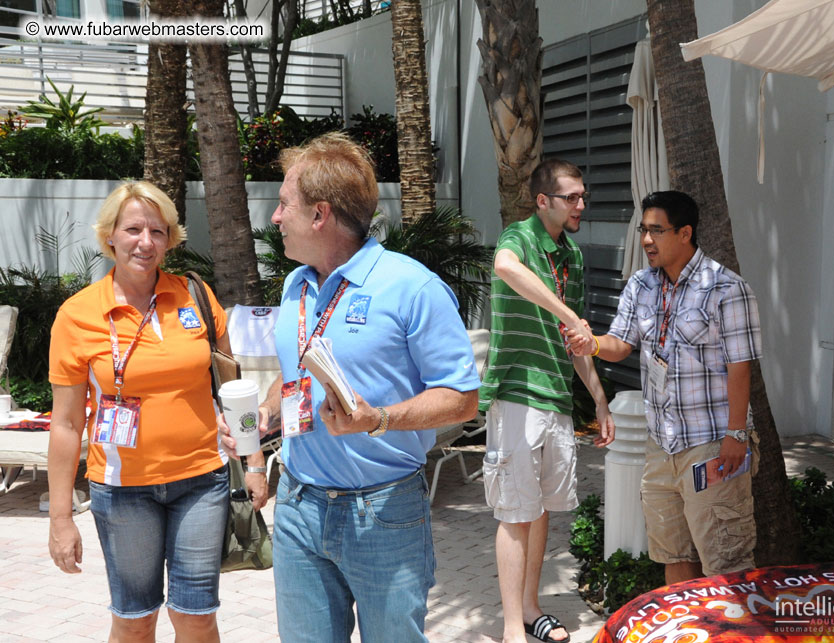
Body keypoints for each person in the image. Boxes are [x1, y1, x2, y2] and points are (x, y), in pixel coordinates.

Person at [218, 132, 480, 643]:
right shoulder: (298, 283)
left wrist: (378, 419)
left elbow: (462, 398)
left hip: (383, 512)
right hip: (297, 504)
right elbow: (294, 379)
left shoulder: (413, 288)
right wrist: (267, 416)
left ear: (320, 215)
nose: (275, 218)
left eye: (283, 204)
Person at [46, 181, 261, 643]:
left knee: (197, 617)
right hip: (123, 491)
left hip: (202, 481)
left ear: (170, 238)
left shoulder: (195, 297)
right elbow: (65, 425)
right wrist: (61, 519)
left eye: (158, 231)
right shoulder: (78, 315)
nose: (146, 242)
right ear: (110, 236)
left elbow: (234, 391)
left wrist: (255, 463)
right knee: (135, 620)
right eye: (133, 229)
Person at [570, 190, 762, 586]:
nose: (646, 240)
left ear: (686, 233)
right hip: (661, 445)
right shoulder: (641, 284)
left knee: (727, 563)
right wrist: (592, 343)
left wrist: (736, 435)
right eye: (644, 229)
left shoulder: (726, 288)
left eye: (657, 230)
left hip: (711, 445)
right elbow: (621, 344)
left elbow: (740, 369)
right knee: (673, 555)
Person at [479, 158, 615, 643]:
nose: (581, 204)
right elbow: (504, 267)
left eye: (583, 196)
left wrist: (598, 401)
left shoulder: (572, 256)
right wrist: (568, 313)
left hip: (556, 396)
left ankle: (532, 609)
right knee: (516, 512)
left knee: (538, 510)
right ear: (543, 201)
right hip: (516, 391)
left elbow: (574, 340)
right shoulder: (519, 236)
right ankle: (513, 629)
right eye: (571, 197)